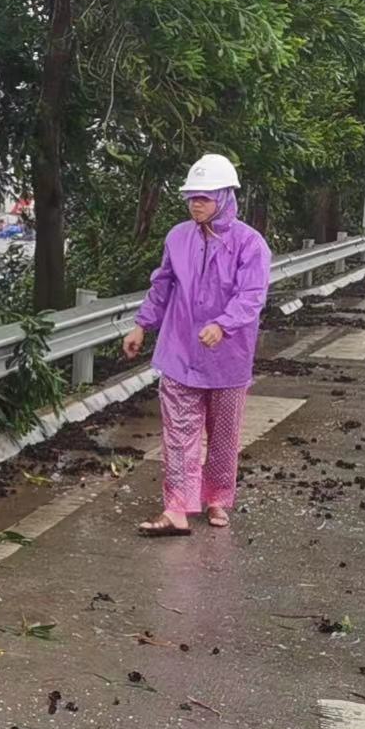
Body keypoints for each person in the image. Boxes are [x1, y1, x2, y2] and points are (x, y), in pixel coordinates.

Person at [121, 153, 270, 537]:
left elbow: (252, 295)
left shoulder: (250, 244)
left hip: (228, 359)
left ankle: (217, 497)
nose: (195, 204)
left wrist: (223, 324)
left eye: (204, 197)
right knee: (178, 434)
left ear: (224, 196)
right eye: (191, 197)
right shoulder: (177, 237)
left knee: (223, 434)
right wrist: (141, 326)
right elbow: (162, 285)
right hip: (180, 351)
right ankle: (176, 508)